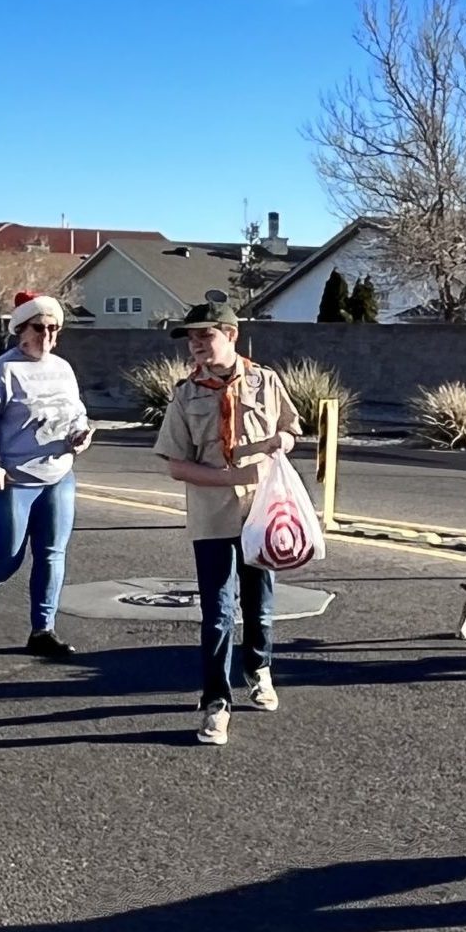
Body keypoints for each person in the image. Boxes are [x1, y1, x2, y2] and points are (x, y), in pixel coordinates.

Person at [152, 302, 300, 746]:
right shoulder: (186, 395)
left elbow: (292, 426)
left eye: (205, 336)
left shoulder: (265, 381)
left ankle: (259, 668)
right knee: (217, 612)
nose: (196, 345)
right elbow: (177, 465)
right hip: (212, 514)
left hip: (261, 512)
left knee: (260, 601)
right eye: (190, 338)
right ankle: (216, 702)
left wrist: (283, 441)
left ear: (231, 335)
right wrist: (229, 477)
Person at [0, 291, 94, 659]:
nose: (47, 335)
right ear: (21, 329)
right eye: (39, 327)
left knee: (52, 553)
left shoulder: (63, 368)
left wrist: (81, 434)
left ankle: (42, 629)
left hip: (57, 475)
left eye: (53, 328)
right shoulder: (3, 370)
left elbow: (76, 412)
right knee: (7, 556)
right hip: (10, 481)